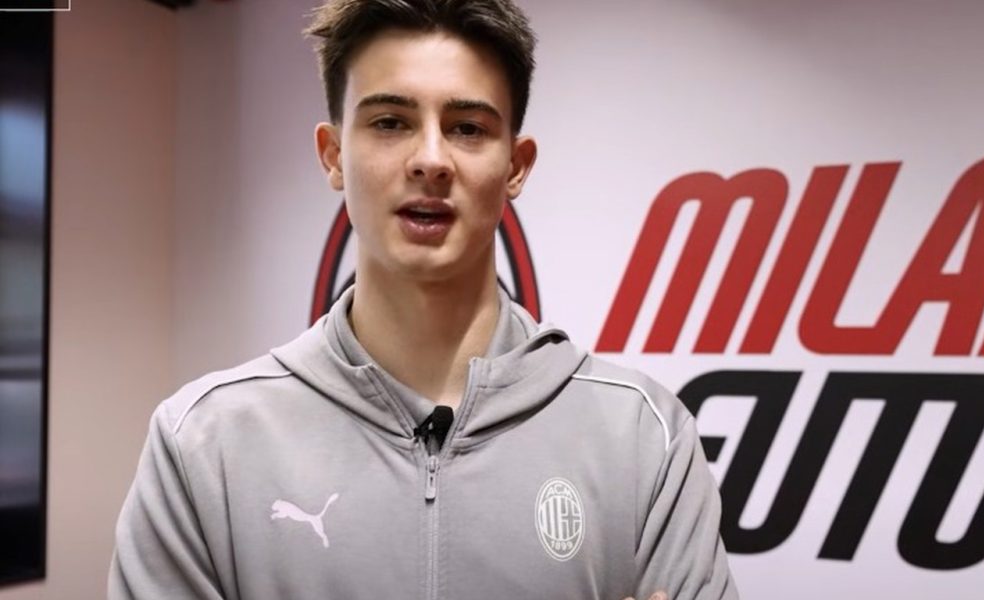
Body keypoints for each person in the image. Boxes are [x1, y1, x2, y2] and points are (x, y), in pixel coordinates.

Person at [109, 1, 738, 598]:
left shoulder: (644, 439)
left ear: (516, 166)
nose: (431, 160)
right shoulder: (203, 445)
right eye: (390, 122)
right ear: (333, 154)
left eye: (467, 128)